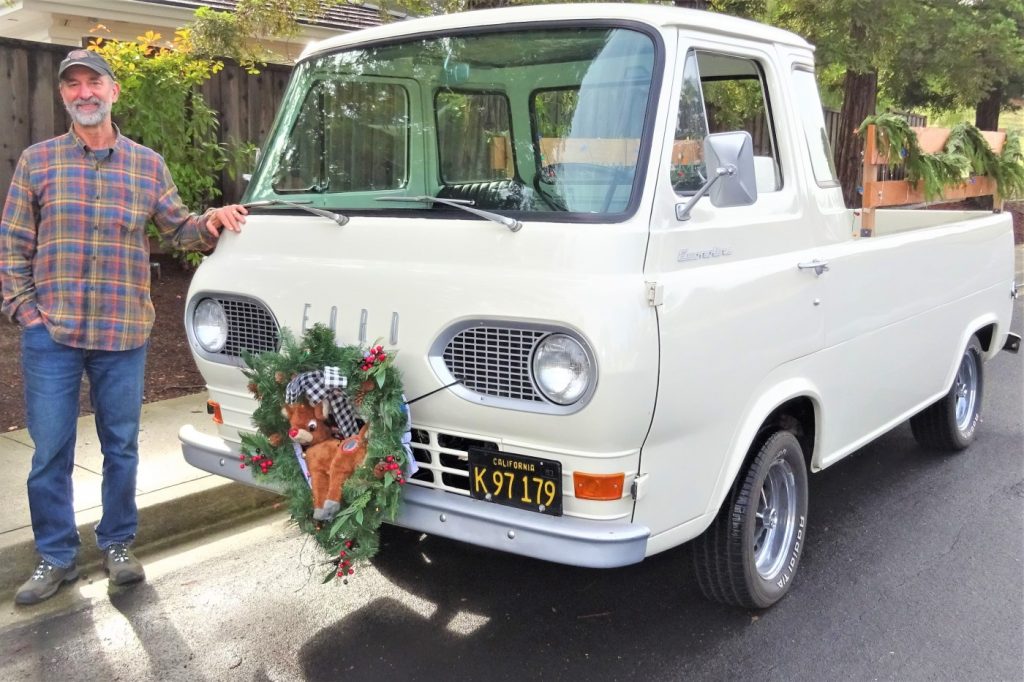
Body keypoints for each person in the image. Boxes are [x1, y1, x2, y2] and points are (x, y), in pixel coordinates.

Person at [0, 49, 249, 605]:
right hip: (52, 334)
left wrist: (213, 221)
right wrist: (25, 311)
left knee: (121, 447)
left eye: (94, 83)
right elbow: (12, 243)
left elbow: (179, 227)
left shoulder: (147, 164)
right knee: (50, 453)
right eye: (73, 86)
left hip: (123, 332)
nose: (84, 93)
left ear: (114, 92)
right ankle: (56, 557)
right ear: (63, 96)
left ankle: (117, 544)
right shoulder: (37, 162)